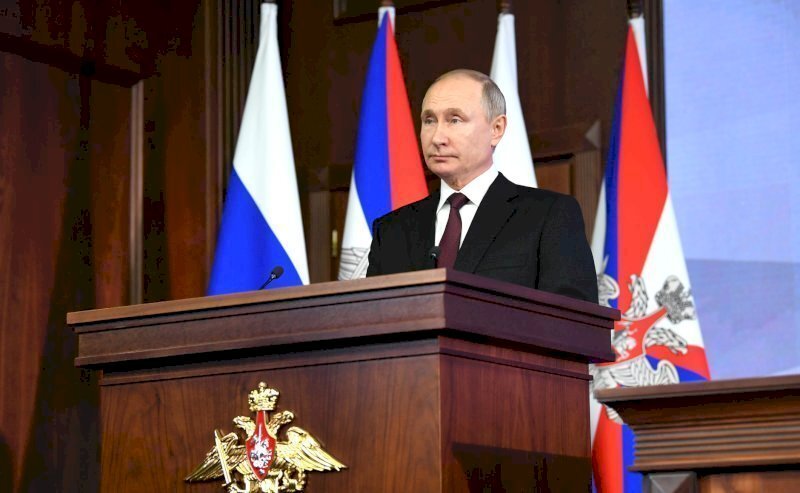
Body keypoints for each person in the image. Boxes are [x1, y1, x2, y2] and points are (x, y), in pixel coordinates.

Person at [366, 69, 598, 303]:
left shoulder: (548, 216)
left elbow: (574, 318)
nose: (437, 138)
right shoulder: (391, 230)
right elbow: (373, 316)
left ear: (496, 129)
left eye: (454, 120)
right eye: (429, 120)